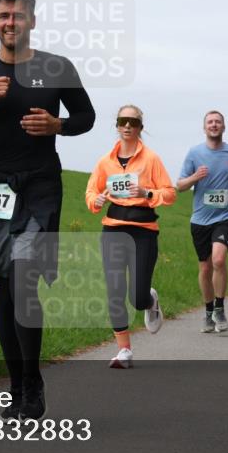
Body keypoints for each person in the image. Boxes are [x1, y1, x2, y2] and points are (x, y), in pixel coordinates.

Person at [0, 0, 95, 421]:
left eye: (17, 15)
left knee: (23, 280)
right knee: (2, 290)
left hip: (41, 187)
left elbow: (86, 117)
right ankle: (17, 387)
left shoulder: (56, 67)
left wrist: (57, 125)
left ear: (32, 20)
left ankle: (33, 385)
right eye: (3, 16)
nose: (10, 23)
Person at [86, 105, 176, 368]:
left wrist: (146, 193)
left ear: (140, 128)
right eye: (123, 121)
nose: (127, 126)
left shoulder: (151, 159)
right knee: (114, 289)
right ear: (117, 125)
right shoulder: (105, 162)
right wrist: (96, 200)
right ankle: (124, 350)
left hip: (143, 231)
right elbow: (91, 193)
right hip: (113, 229)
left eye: (133, 122)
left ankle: (149, 300)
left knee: (136, 298)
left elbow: (169, 194)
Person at [177, 110, 228, 333]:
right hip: (200, 219)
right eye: (210, 122)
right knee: (205, 267)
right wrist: (195, 177)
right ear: (204, 127)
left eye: (218, 122)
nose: (214, 125)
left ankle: (219, 308)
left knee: (218, 259)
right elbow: (180, 185)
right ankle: (208, 312)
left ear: (223, 127)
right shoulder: (194, 153)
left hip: (226, 217)